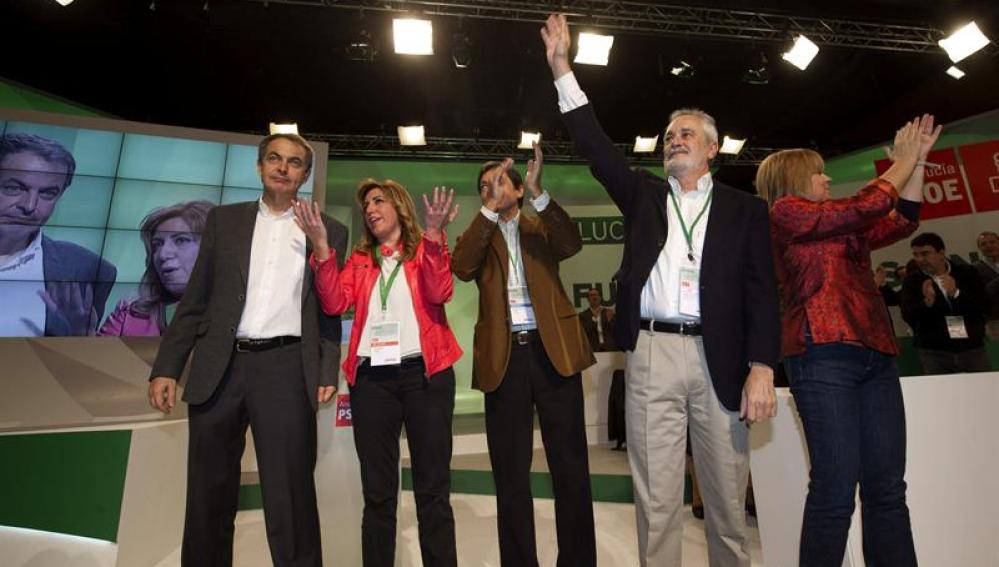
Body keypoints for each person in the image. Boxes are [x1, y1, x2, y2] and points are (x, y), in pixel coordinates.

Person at [541, 14, 779, 567]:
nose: (675, 141)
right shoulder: (644, 196)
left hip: (721, 356)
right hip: (651, 354)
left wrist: (763, 365)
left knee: (725, 499)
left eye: (687, 134)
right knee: (656, 500)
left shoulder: (746, 211)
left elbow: (762, 292)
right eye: (670, 136)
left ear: (713, 148)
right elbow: (596, 147)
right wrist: (561, 70)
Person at [147, 133, 348, 567]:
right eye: (274, 158)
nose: (283, 167)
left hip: (286, 369)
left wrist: (326, 371)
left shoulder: (330, 230)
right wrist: (167, 367)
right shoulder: (224, 221)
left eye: (294, 163)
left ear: (306, 175)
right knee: (207, 497)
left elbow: (330, 312)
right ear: (259, 167)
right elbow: (195, 299)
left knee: (290, 498)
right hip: (220, 367)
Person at [760, 115, 941, 567]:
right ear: (796, 177)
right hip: (822, 356)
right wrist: (897, 162)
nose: (828, 177)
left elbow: (902, 222)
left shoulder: (838, 224)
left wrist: (916, 162)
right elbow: (865, 207)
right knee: (835, 489)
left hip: (875, 355)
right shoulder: (785, 213)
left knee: (887, 488)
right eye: (819, 171)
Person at [297, 180, 462, 567]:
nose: (369, 209)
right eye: (365, 205)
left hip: (427, 376)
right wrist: (322, 247)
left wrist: (436, 235)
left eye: (378, 200)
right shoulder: (360, 260)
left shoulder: (426, 250)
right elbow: (335, 302)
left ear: (399, 205)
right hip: (372, 381)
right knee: (378, 495)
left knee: (433, 491)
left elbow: (440, 293)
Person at [451, 143, 597, 567]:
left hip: (554, 355)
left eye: (498, 183)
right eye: (483, 187)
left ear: (518, 189)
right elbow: (461, 267)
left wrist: (539, 192)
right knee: (511, 475)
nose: (489, 190)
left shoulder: (541, 227)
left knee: (570, 469)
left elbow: (572, 243)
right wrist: (488, 213)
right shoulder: (479, 235)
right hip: (505, 360)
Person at [0, 132, 117, 336]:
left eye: (47, 193)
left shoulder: (88, 269)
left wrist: (81, 339)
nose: (30, 206)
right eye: (14, 188)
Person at [99, 200, 215, 336]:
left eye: (181, 240)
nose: (163, 254)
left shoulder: (241, 315)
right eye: (157, 244)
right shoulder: (129, 314)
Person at [901, 232, 991, 374]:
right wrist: (927, 303)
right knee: (942, 394)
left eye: (925, 254)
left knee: (983, 391)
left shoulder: (967, 272)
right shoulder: (912, 281)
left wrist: (956, 293)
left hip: (971, 347)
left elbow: (984, 306)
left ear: (941, 253)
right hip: (934, 351)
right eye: (916, 255)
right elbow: (907, 314)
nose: (920, 259)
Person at [973, 231, 999, 339]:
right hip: (995, 321)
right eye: (983, 244)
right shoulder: (974, 269)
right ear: (979, 248)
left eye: (992, 242)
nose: (989, 246)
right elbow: (981, 294)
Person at [578, 287, 616, 351]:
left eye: (596, 295)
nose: (594, 297)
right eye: (591, 295)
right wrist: (594, 319)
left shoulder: (608, 312)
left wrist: (610, 320)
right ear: (588, 299)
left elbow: (615, 331)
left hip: (610, 348)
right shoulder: (583, 316)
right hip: (592, 349)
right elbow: (583, 333)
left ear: (600, 298)